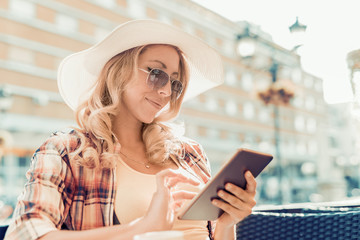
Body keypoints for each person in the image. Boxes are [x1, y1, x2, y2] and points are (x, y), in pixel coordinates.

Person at [4, 19, 257, 240]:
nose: (166, 92)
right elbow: (24, 235)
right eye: (157, 73)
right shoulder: (66, 151)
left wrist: (227, 222)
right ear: (119, 72)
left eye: (175, 83)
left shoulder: (190, 153)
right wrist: (142, 229)